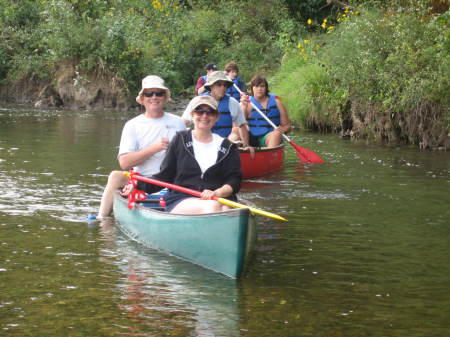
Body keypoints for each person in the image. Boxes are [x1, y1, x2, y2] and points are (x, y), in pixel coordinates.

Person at [124, 95, 241, 214]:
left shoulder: (228, 146)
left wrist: (218, 193)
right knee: (213, 208)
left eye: (210, 112)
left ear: (216, 117)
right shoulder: (180, 139)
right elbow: (164, 176)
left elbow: (234, 180)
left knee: (227, 209)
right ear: (192, 115)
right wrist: (138, 184)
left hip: (219, 198)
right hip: (182, 198)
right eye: (199, 111)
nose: (204, 116)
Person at [97, 75, 186, 219]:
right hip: (143, 180)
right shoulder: (132, 125)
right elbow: (125, 163)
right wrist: (154, 148)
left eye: (159, 93)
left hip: (172, 180)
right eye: (149, 93)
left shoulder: (178, 123)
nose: (154, 97)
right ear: (143, 98)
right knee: (115, 176)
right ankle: (102, 220)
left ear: (165, 97)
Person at [182, 71, 251, 147]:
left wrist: (246, 145)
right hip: (202, 144)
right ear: (211, 86)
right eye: (219, 85)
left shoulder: (233, 103)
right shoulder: (197, 101)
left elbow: (242, 125)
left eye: (225, 85)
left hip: (224, 146)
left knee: (235, 135)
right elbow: (183, 122)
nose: (223, 88)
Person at [240, 75, 291, 148]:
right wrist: (244, 106)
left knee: (277, 134)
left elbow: (287, 125)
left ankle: (267, 153)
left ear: (266, 88)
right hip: (251, 138)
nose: (259, 89)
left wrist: (282, 130)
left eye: (262, 86)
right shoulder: (246, 103)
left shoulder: (277, 102)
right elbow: (240, 124)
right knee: (235, 130)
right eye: (256, 86)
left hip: (270, 137)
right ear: (252, 88)